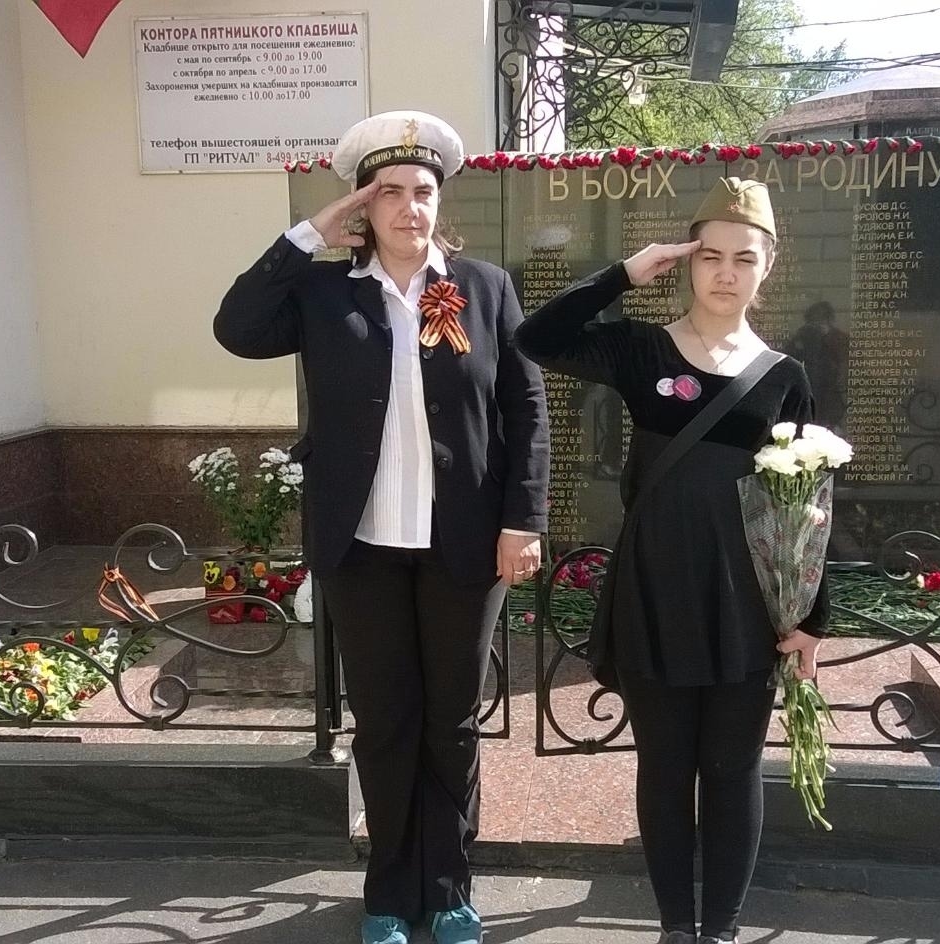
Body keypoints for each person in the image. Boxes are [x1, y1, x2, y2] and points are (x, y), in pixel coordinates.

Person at [213, 110, 548, 944]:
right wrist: (309, 234)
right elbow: (236, 328)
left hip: (462, 545)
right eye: (388, 192)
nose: (409, 207)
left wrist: (523, 519)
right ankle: (391, 893)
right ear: (364, 207)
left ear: (440, 202)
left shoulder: (481, 288)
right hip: (361, 547)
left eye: (422, 191)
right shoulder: (326, 292)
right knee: (387, 723)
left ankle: (450, 888)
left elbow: (525, 408)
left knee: (451, 725)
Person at [515, 178, 829, 944]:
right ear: (687, 261)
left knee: (732, 768)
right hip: (655, 586)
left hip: (746, 599)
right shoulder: (642, 350)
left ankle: (718, 930)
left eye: (744, 258)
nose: (725, 272)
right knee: (662, 765)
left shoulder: (784, 376)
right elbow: (537, 339)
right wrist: (624, 274)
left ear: (768, 266)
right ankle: (675, 928)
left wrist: (812, 617)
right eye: (710, 255)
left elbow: (813, 504)